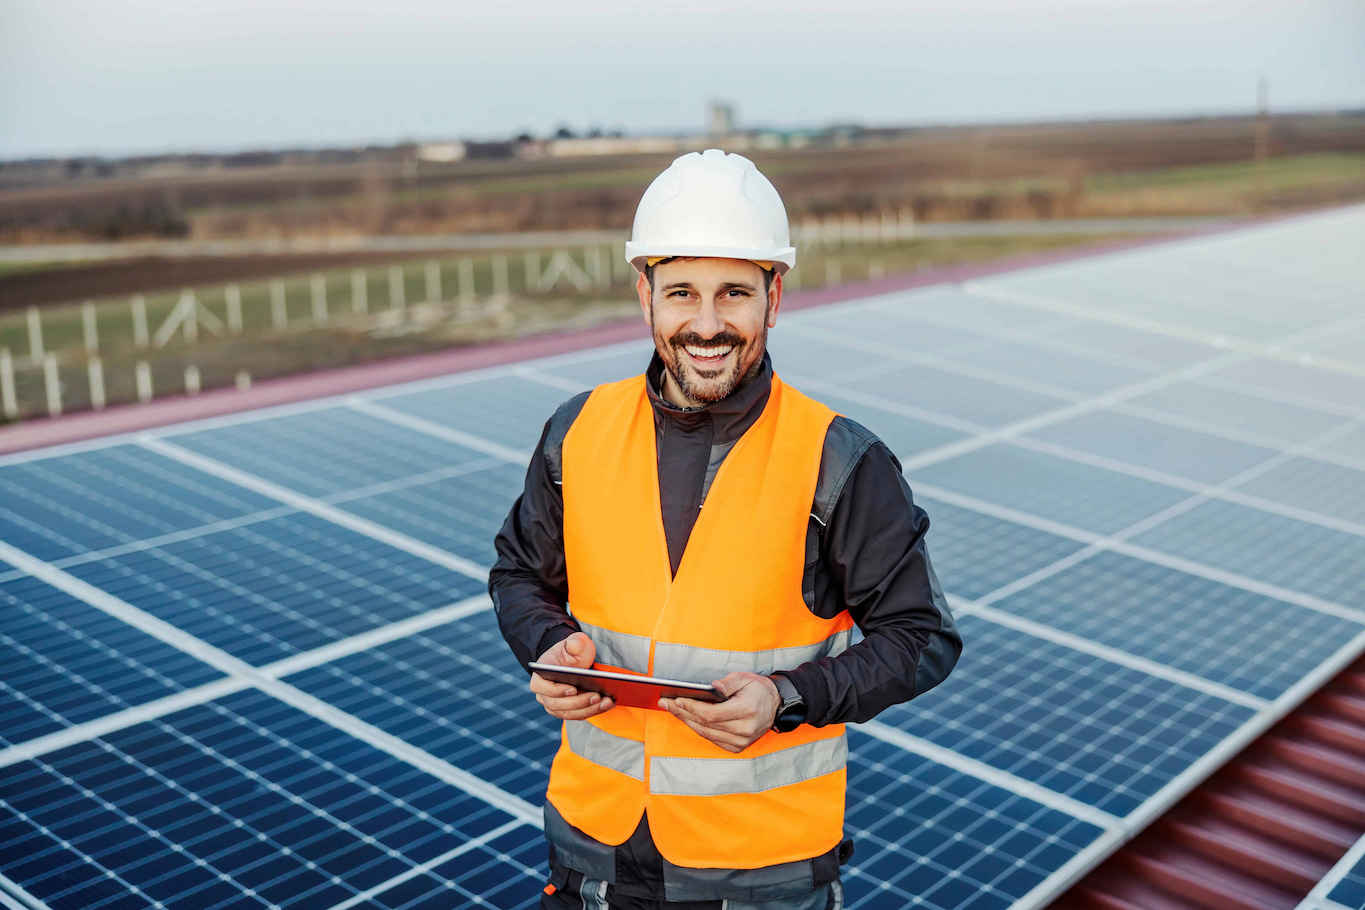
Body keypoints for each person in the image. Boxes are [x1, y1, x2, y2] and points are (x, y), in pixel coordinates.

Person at [491, 149, 961, 910]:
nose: (705, 325)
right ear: (644, 294)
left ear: (773, 297)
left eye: (733, 293)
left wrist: (788, 695)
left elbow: (922, 635)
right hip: (589, 857)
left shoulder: (839, 460)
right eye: (681, 292)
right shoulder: (576, 431)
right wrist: (544, 644)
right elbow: (518, 575)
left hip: (759, 877)